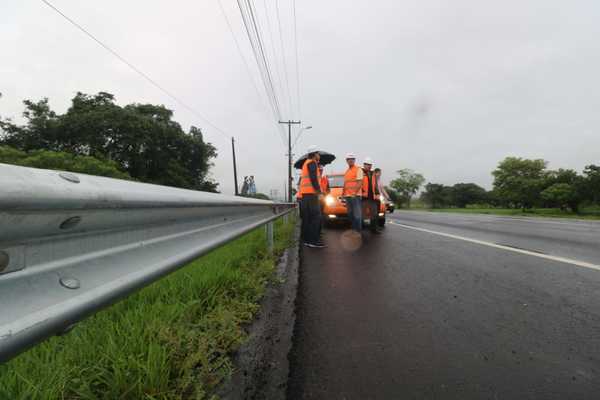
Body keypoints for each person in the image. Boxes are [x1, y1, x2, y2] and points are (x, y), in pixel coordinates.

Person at [299, 146, 325, 248]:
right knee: (316, 217)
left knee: (307, 218)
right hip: (311, 194)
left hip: (305, 195)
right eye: (318, 153)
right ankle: (313, 241)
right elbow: (314, 179)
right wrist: (319, 193)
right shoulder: (312, 163)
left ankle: (306, 240)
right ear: (314, 154)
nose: (319, 155)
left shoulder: (307, 163)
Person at [342, 153, 363, 233]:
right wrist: (343, 193)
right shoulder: (347, 171)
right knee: (350, 215)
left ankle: (358, 232)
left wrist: (354, 193)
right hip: (348, 196)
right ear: (346, 161)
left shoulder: (358, 169)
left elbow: (360, 182)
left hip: (356, 196)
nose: (351, 161)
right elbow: (346, 183)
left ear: (354, 160)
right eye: (349, 159)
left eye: (352, 159)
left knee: (357, 215)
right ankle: (354, 229)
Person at [361, 157, 381, 234]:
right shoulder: (360, 172)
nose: (369, 166)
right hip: (363, 197)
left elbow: (375, 185)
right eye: (367, 164)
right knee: (363, 214)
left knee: (374, 214)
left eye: (370, 165)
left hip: (372, 197)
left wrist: (377, 193)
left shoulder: (373, 174)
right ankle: (361, 229)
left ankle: (374, 229)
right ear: (364, 165)